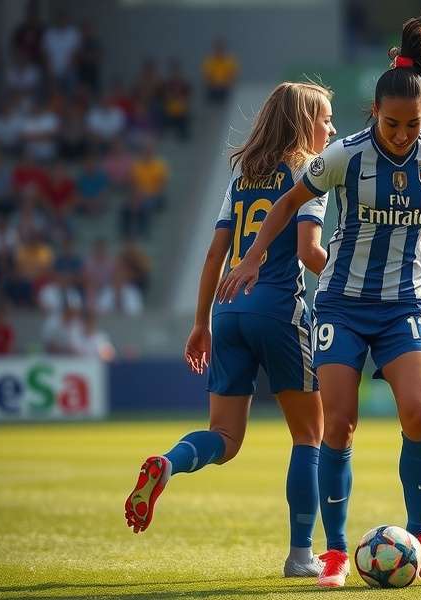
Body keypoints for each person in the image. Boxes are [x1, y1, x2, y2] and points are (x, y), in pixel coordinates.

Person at [216, 17, 421, 589]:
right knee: (340, 424)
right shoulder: (342, 155)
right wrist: (255, 254)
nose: (402, 133)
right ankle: (335, 552)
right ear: (374, 114)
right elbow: (285, 205)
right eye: (391, 122)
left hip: (406, 305)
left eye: (411, 124)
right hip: (341, 305)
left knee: (420, 414)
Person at [124, 81, 336, 578]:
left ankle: (169, 464)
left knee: (225, 436)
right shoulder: (309, 172)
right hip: (279, 309)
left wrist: (201, 323)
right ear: (305, 122)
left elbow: (215, 256)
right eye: (326, 118)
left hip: (229, 312)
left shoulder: (241, 176)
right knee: (310, 435)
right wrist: (353, 280)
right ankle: (301, 555)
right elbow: (308, 251)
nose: (332, 128)